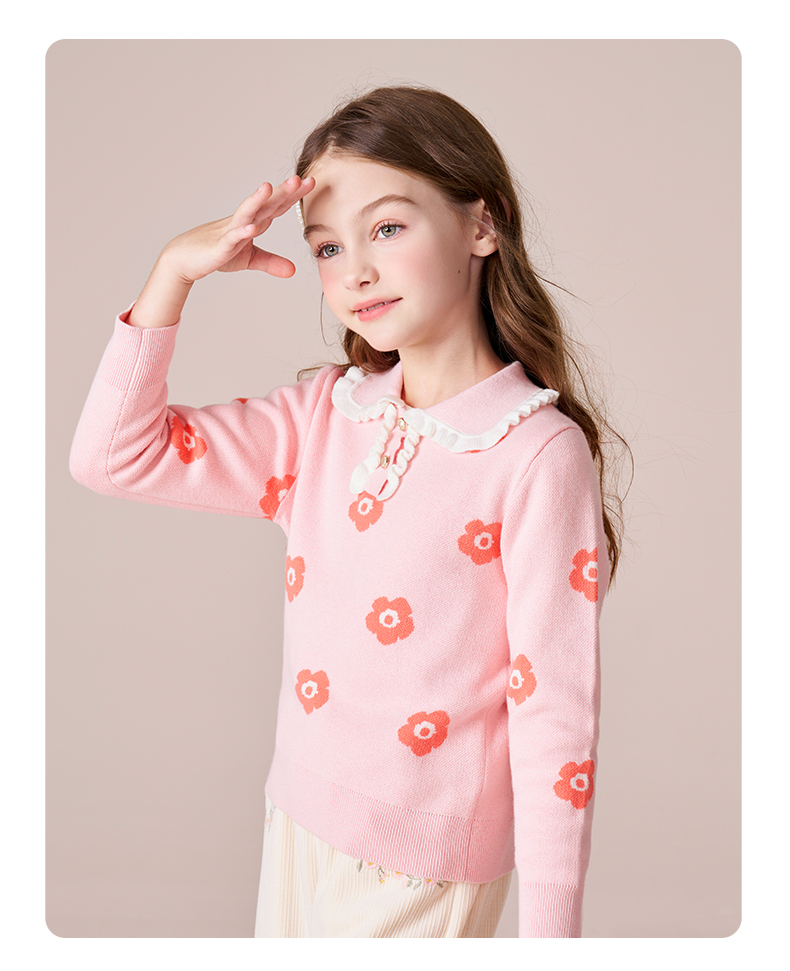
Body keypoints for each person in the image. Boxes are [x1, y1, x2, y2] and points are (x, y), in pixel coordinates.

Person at [70, 84, 626, 938]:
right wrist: (173, 272)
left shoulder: (534, 453)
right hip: (297, 823)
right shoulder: (324, 419)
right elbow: (114, 455)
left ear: (482, 225)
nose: (355, 269)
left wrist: (552, 938)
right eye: (328, 246)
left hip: (423, 866)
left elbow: (555, 710)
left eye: (388, 228)